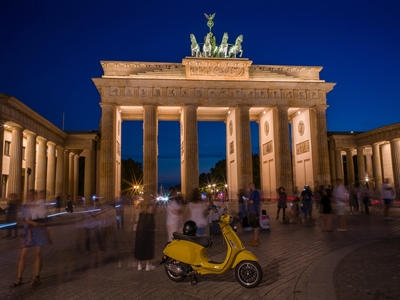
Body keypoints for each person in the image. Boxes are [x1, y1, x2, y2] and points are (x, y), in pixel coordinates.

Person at [10, 190, 51, 288]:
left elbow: (47, 217)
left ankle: (37, 277)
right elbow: (26, 219)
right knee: (23, 255)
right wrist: (37, 224)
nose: (30, 196)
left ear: (35, 196)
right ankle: (19, 278)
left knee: (37, 254)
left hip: (39, 231)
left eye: (32, 195)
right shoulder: (25, 206)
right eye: (28, 195)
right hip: (29, 231)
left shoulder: (40, 206)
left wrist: (44, 222)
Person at [134, 202, 156, 271]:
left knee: (139, 244)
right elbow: (153, 216)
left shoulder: (139, 206)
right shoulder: (151, 206)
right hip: (149, 227)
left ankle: (139, 264)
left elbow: (136, 217)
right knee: (149, 244)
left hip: (140, 228)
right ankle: (148, 265)